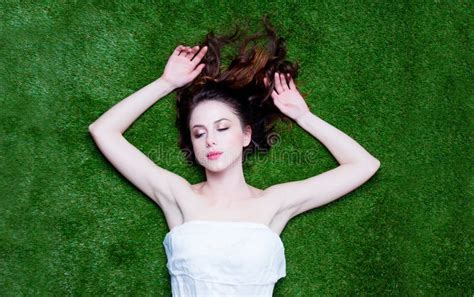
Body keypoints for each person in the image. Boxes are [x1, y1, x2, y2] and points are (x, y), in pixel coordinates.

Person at [89, 16, 380, 297]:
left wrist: (303, 116)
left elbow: (364, 165)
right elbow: (103, 130)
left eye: (223, 127)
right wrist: (166, 83)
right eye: (199, 133)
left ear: (246, 135)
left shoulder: (273, 202)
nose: (211, 139)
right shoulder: (178, 195)